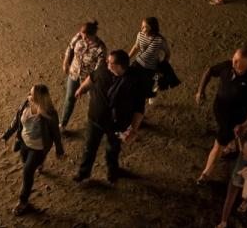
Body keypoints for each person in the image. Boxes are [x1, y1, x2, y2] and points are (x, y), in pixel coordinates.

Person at [195, 48, 247, 185]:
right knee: (231, 136)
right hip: (220, 111)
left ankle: (205, 174)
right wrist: (200, 91)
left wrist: (245, 125)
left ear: (245, 65)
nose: (233, 61)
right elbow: (210, 71)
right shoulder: (228, 66)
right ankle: (233, 147)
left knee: (218, 145)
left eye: (237, 60)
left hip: (234, 119)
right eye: (234, 58)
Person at [72, 50, 145, 184]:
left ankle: (112, 172)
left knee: (113, 149)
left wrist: (132, 129)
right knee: (89, 147)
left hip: (117, 124)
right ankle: (83, 173)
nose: (106, 63)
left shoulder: (135, 81)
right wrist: (81, 89)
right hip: (95, 119)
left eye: (110, 62)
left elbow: (139, 109)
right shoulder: (103, 69)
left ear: (119, 66)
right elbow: (92, 77)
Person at [1, 84, 64, 216]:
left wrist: (59, 149)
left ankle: (23, 202)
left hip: (38, 148)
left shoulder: (50, 113)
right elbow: (16, 120)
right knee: (25, 162)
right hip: (24, 143)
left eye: (31, 94)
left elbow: (55, 133)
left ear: (39, 98)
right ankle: (39, 164)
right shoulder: (26, 104)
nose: (28, 95)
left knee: (27, 172)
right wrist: (7, 134)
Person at [60, 21, 107, 130]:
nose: (84, 40)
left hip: (88, 79)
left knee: (93, 101)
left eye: (87, 38)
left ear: (94, 35)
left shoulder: (100, 49)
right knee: (69, 98)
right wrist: (66, 62)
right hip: (74, 73)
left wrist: (84, 86)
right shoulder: (79, 36)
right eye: (83, 36)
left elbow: (98, 70)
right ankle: (63, 124)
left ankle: (93, 124)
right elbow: (70, 47)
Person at [216, 135, 247, 228]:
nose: (245, 152)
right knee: (229, 201)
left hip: (245, 184)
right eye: (245, 148)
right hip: (234, 180)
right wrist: (237, 137)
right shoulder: (243, 151)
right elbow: (239, 141)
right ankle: (223, 222)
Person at [128, 17, 170, 103]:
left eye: (145, 27)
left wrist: (164, 65)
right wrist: (127, 57)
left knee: (152, 82)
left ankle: (153, 92)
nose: (142, 28)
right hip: (139, 62)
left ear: (152, 28)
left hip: (151, 67)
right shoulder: (140, 35)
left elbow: (167, 53)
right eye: (142, 26)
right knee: (130, 78)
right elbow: (136, 46)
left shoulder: (160, 40)